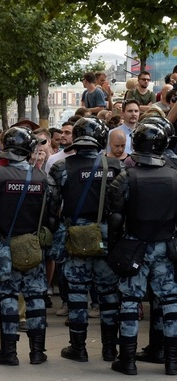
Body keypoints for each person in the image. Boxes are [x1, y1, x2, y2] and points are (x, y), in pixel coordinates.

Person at [48, 116, 122, 363]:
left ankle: (78, 348)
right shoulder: (115, 166)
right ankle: (110, 348)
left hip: (76, 237)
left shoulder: (61, 168)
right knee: (109, 295)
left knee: (78, 295)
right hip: (107, 237)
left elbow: (52, 206)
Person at [0, 127, 56, 366]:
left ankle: (9, 351)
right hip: (33, 245)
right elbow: (52, 217)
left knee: (8, 298)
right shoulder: (44, 178)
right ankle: (37, 351)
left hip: (5, 245)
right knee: (35, 298)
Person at [107, 120, 177, 376]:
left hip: (135, 245)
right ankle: (172, 360)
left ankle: (127, 360)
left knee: (129, 301)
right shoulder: (174, 176)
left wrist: (113, 248)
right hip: (165, 246)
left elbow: (115, 217)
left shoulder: (126, 176)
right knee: (170, 302)